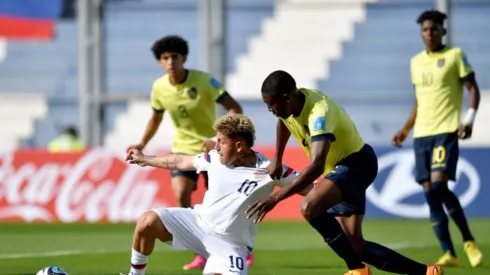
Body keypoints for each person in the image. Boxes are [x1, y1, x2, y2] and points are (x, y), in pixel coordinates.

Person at [246, 70, 444, 275]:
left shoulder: (319, 113)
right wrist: (278, 158)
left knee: (310, 207)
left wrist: (276, 197)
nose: (269, 109)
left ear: (286, 98)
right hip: (340, 169)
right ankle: (428, 272)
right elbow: (284, 121)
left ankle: (357, 270)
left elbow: (316, 167)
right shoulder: (290, 106)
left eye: (271, 103)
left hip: (357, 164)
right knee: (355, 246)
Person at [122, 114, 300, 275]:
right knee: (148, 221)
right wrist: (145, 159)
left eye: (221, 141)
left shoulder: (271, 169)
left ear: (239, 146)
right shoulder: (213, 158)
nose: (216, 146)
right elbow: (180, 161)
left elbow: (309, 186)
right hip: (196, 224)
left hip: (230, 244)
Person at [125, 35, 246, 270]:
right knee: (181, 195)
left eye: (174, 57)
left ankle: (234, 246)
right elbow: (155, 118)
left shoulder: (205, 81)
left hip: (214, 150)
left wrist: (219, 139)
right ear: (160, 62)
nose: (170, 62)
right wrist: (141, 143)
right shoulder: (159, 88)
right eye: (165, 58)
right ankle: (201, 252)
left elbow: (235, 108)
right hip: (182, 149)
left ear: (184, 58)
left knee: (222, 203)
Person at [392, 10, 483, 268]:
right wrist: (406, 129)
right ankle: (449, 252)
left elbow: (473, 88)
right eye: (424, 30)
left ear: (443, 30)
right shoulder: (415, 62)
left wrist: (469, 119)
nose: (429, 33)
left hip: (446, 131)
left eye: (433, 29)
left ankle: (468, 241)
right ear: (420, 33)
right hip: (422, 134)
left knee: (439, 185)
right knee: (430, 192)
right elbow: (419, 100)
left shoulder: (455, 56)